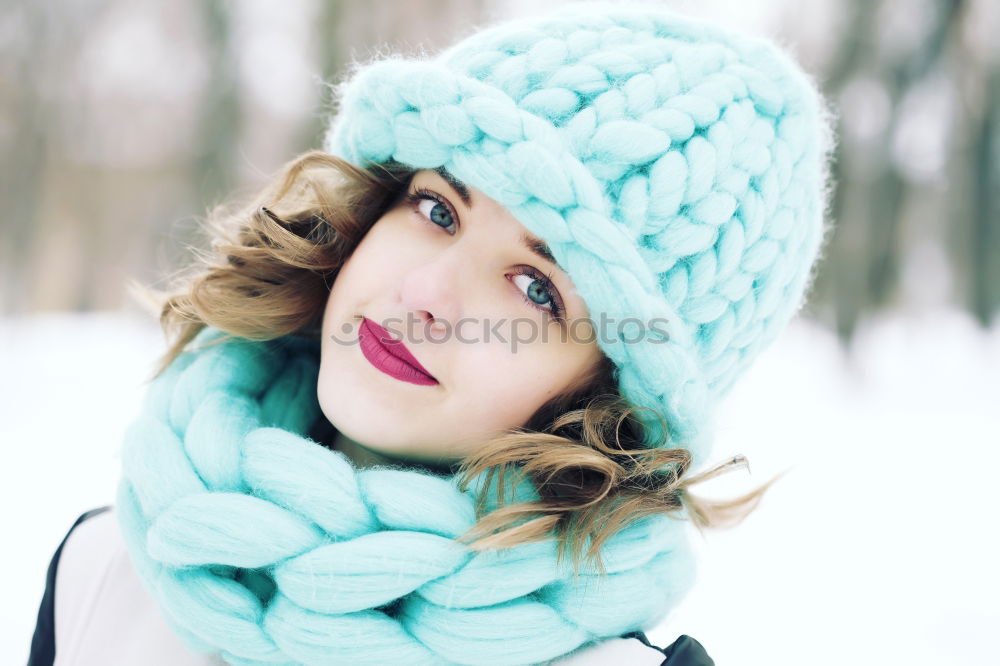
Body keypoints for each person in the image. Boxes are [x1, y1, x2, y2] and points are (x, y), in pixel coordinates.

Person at [28, 2, 832, 664]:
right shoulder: (102, 576)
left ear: (609, 397)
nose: (422, 295)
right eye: (438, 209)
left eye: (535, 288)